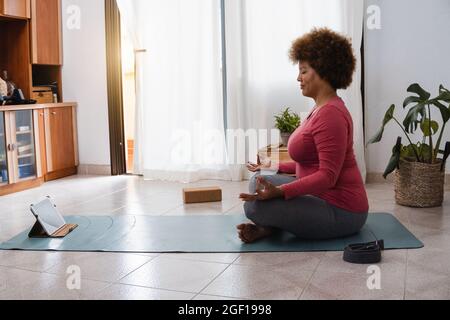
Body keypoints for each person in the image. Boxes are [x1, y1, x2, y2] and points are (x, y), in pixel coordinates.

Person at [237, 27, 369, 243]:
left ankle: (270, 226)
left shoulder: (331, 115)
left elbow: (327, 176)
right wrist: (273, 166)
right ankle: (271, 228)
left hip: (343, 211)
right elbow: (310, 164)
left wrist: (280, 192)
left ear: (323, 71)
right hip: (320, 198)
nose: (298, 78)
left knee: (254, 206)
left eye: (304, 71)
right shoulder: (319, 108)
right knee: (258, 182)